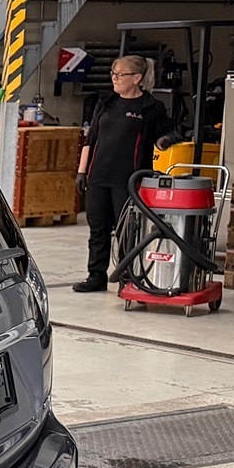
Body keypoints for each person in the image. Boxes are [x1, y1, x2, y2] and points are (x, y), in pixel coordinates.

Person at [73, 54, 175, 292]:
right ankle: (96, 275)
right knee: (98, 229)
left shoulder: (150, 107)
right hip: (98, 175)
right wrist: (81, 171)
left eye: (120, 74)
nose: (115, 79)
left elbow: (166, 133)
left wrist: (165, 140)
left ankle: (127, 276)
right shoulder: (105, 102)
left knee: (127, 231)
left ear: (136, 78)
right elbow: (91, 139)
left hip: (128, 180)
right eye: (113, 74)